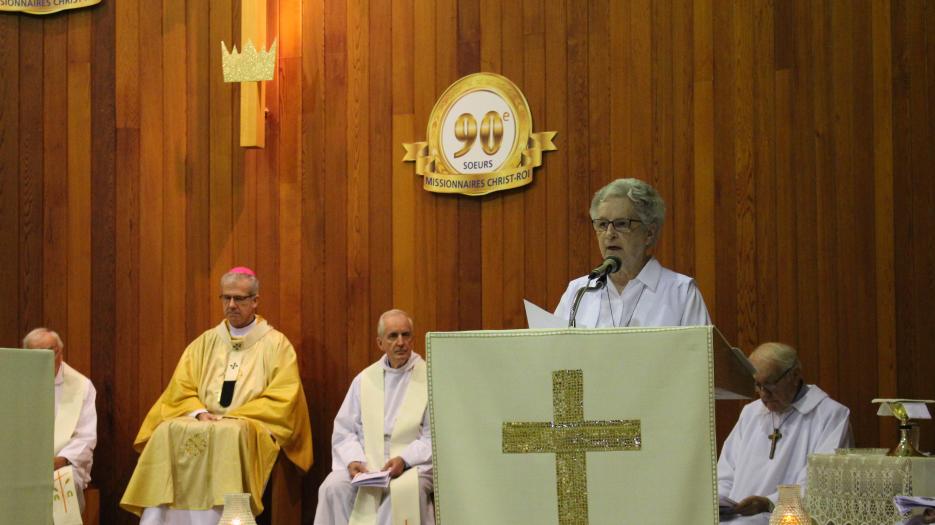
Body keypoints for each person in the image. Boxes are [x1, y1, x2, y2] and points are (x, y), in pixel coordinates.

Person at [120, 267, 313, 524]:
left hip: (248, 425)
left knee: (228, 433)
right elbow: (180, 389)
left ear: (255, 301)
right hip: (203, 420)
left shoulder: (276, 345)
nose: (231, 305)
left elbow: (283, 399)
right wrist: (199, 412)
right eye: (226, 298)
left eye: (239, 299)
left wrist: (232, 417)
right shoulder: (205, 342)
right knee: (166, 430)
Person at [314, 309, 433, 525]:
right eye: (393, 336)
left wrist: (404, 460)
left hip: (412, 465)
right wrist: (354, 460)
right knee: (332, 487)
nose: (400, 342)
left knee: (399, 492)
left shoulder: (430, 378)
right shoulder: (366, 379)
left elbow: (433, 436)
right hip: (369, 462)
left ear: (413, 339)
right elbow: (345, 429)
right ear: (380, 343)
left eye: (406, 335)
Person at [717, 342, 853, 524]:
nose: (763, 394)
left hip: (786, 518)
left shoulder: (830, 415)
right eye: (758, 385)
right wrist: (721, 502)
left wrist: (769, 503)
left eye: (769, 384)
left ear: (795, 375)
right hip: (736, 518)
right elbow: (726, 471)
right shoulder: (751, 413)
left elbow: (823, 484)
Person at [554, 178, 710, 327]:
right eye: (602, 224)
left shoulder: (681, 293)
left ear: (649, 233)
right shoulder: (579, 292)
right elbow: (553, 350)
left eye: (621, 224)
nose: (609, 233)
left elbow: (700, 353)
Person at [23, 327, 97, 513]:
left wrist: (60, 460)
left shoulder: (81, 386)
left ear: (60, 352)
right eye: (38, 354)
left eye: (51, 351)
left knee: (65, 481)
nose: (46, 358)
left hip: (63, 465)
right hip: (23, 463)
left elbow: (85, 437)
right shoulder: (16, 382)